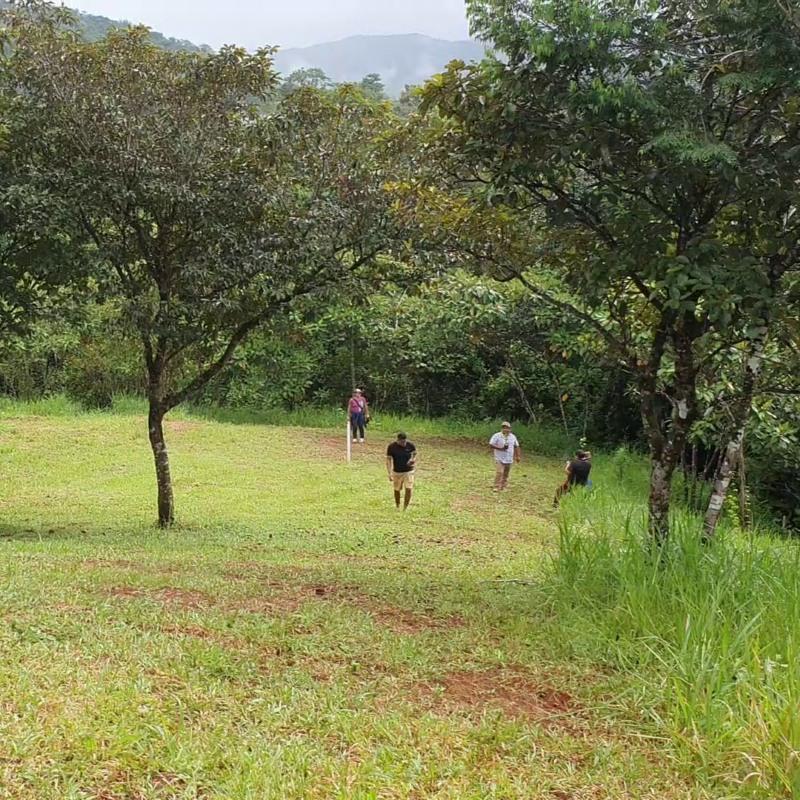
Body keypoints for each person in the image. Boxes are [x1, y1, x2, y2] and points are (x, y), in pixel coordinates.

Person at [386, 432, 417, 510]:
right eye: (402, 442)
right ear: (398, 440)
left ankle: (405, 508)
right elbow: (389, 460)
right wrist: (389, 473)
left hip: (408, 471)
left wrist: (412, 459)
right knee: (397, 489)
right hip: (397, 472)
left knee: (409, 488)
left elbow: (414, 454)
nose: (404, 444)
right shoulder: (391, 447)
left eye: (405, 441)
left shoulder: (410, 445)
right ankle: (397, 505)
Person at [489, 421, 521, 492]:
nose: (506, 429)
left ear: (510, 429)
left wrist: (518, 456)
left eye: (508, 428)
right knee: (499, 472)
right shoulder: (497, 435)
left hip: (509, 458)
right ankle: (496, 486)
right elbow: (491, 445)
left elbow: (516, 446)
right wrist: (500, 448)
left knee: (506, 473)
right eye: (504, 428)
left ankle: (503, 486)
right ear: (502, 428)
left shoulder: (512, 437)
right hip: (499, 457)